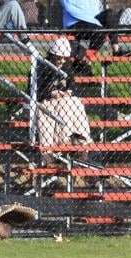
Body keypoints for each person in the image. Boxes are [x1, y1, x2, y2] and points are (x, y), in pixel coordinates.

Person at [34, 37, 93, 166]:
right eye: (58, 57)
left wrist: (68, 91)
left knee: (75, 101)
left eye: (64, 58)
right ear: (52, 55)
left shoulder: (65, 65)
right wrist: (51, 93)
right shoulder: (41, 65)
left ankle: (81, 142)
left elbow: (72, 85)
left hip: (62, 103)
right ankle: (57, 145)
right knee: (64, 104)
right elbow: (34, 91)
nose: (61, 61)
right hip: (45, 101)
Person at [59, 0, 131, 75]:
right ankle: (86, 61)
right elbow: (69, 7)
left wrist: (94, 21)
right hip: (76, 20)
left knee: (110, 14)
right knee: (100, 32)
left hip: (93, 19)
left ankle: (116, 50)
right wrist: (92, 21)